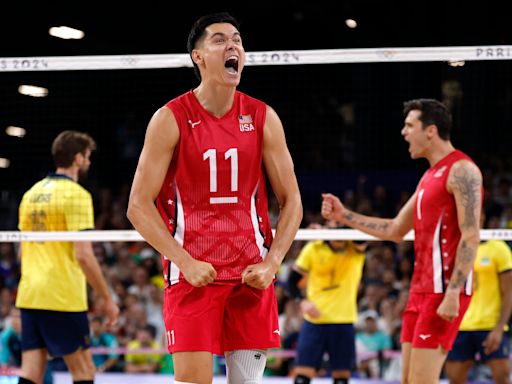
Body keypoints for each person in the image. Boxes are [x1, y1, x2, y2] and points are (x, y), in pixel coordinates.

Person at [126, 12, 302, 384]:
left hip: (250, 276)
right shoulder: (170, 118)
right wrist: (185, 262)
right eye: (220, 39)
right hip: (193, 276)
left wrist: (273, 264)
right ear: (198, 56)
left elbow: (293, 201)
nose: (233, 45)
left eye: (237, 39)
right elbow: (137, 206)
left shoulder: (262, 117)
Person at [321, 98, 483, 384]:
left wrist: (453, 292)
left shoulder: (462, 170)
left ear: (430, 131)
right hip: (420, 291)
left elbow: (471, 234)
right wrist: (344, 215)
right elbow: (395, 229)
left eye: (410, 126)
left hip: (443, 290)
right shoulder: (429, 176)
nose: (403, 132)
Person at [16, 130, 119, 384]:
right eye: (87, 156)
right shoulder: (77, 195)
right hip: (61, 296)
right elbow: (84, 255)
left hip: (30, 294)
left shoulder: (31, 194)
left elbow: (21, 251)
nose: (89, 162)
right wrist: (106, 298)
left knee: (31, 372)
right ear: (77, 159)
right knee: (84, 371)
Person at [287, 237, 368, 384]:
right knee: (301, 377)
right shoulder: (314, 247)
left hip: (343, 320)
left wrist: (338, 225)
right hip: (314, 320)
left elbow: (360, 238)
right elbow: (292, 280)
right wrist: (302, 301)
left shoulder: (355, 248)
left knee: (341, 378)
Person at [444, 215, 512, 384]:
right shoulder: (454, 247)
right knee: (454, 379)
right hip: (459, 326)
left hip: (490, 326)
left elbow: (509, 292)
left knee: (502, 378)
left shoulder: (498, 248)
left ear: (482, 218)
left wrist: (498, 328)